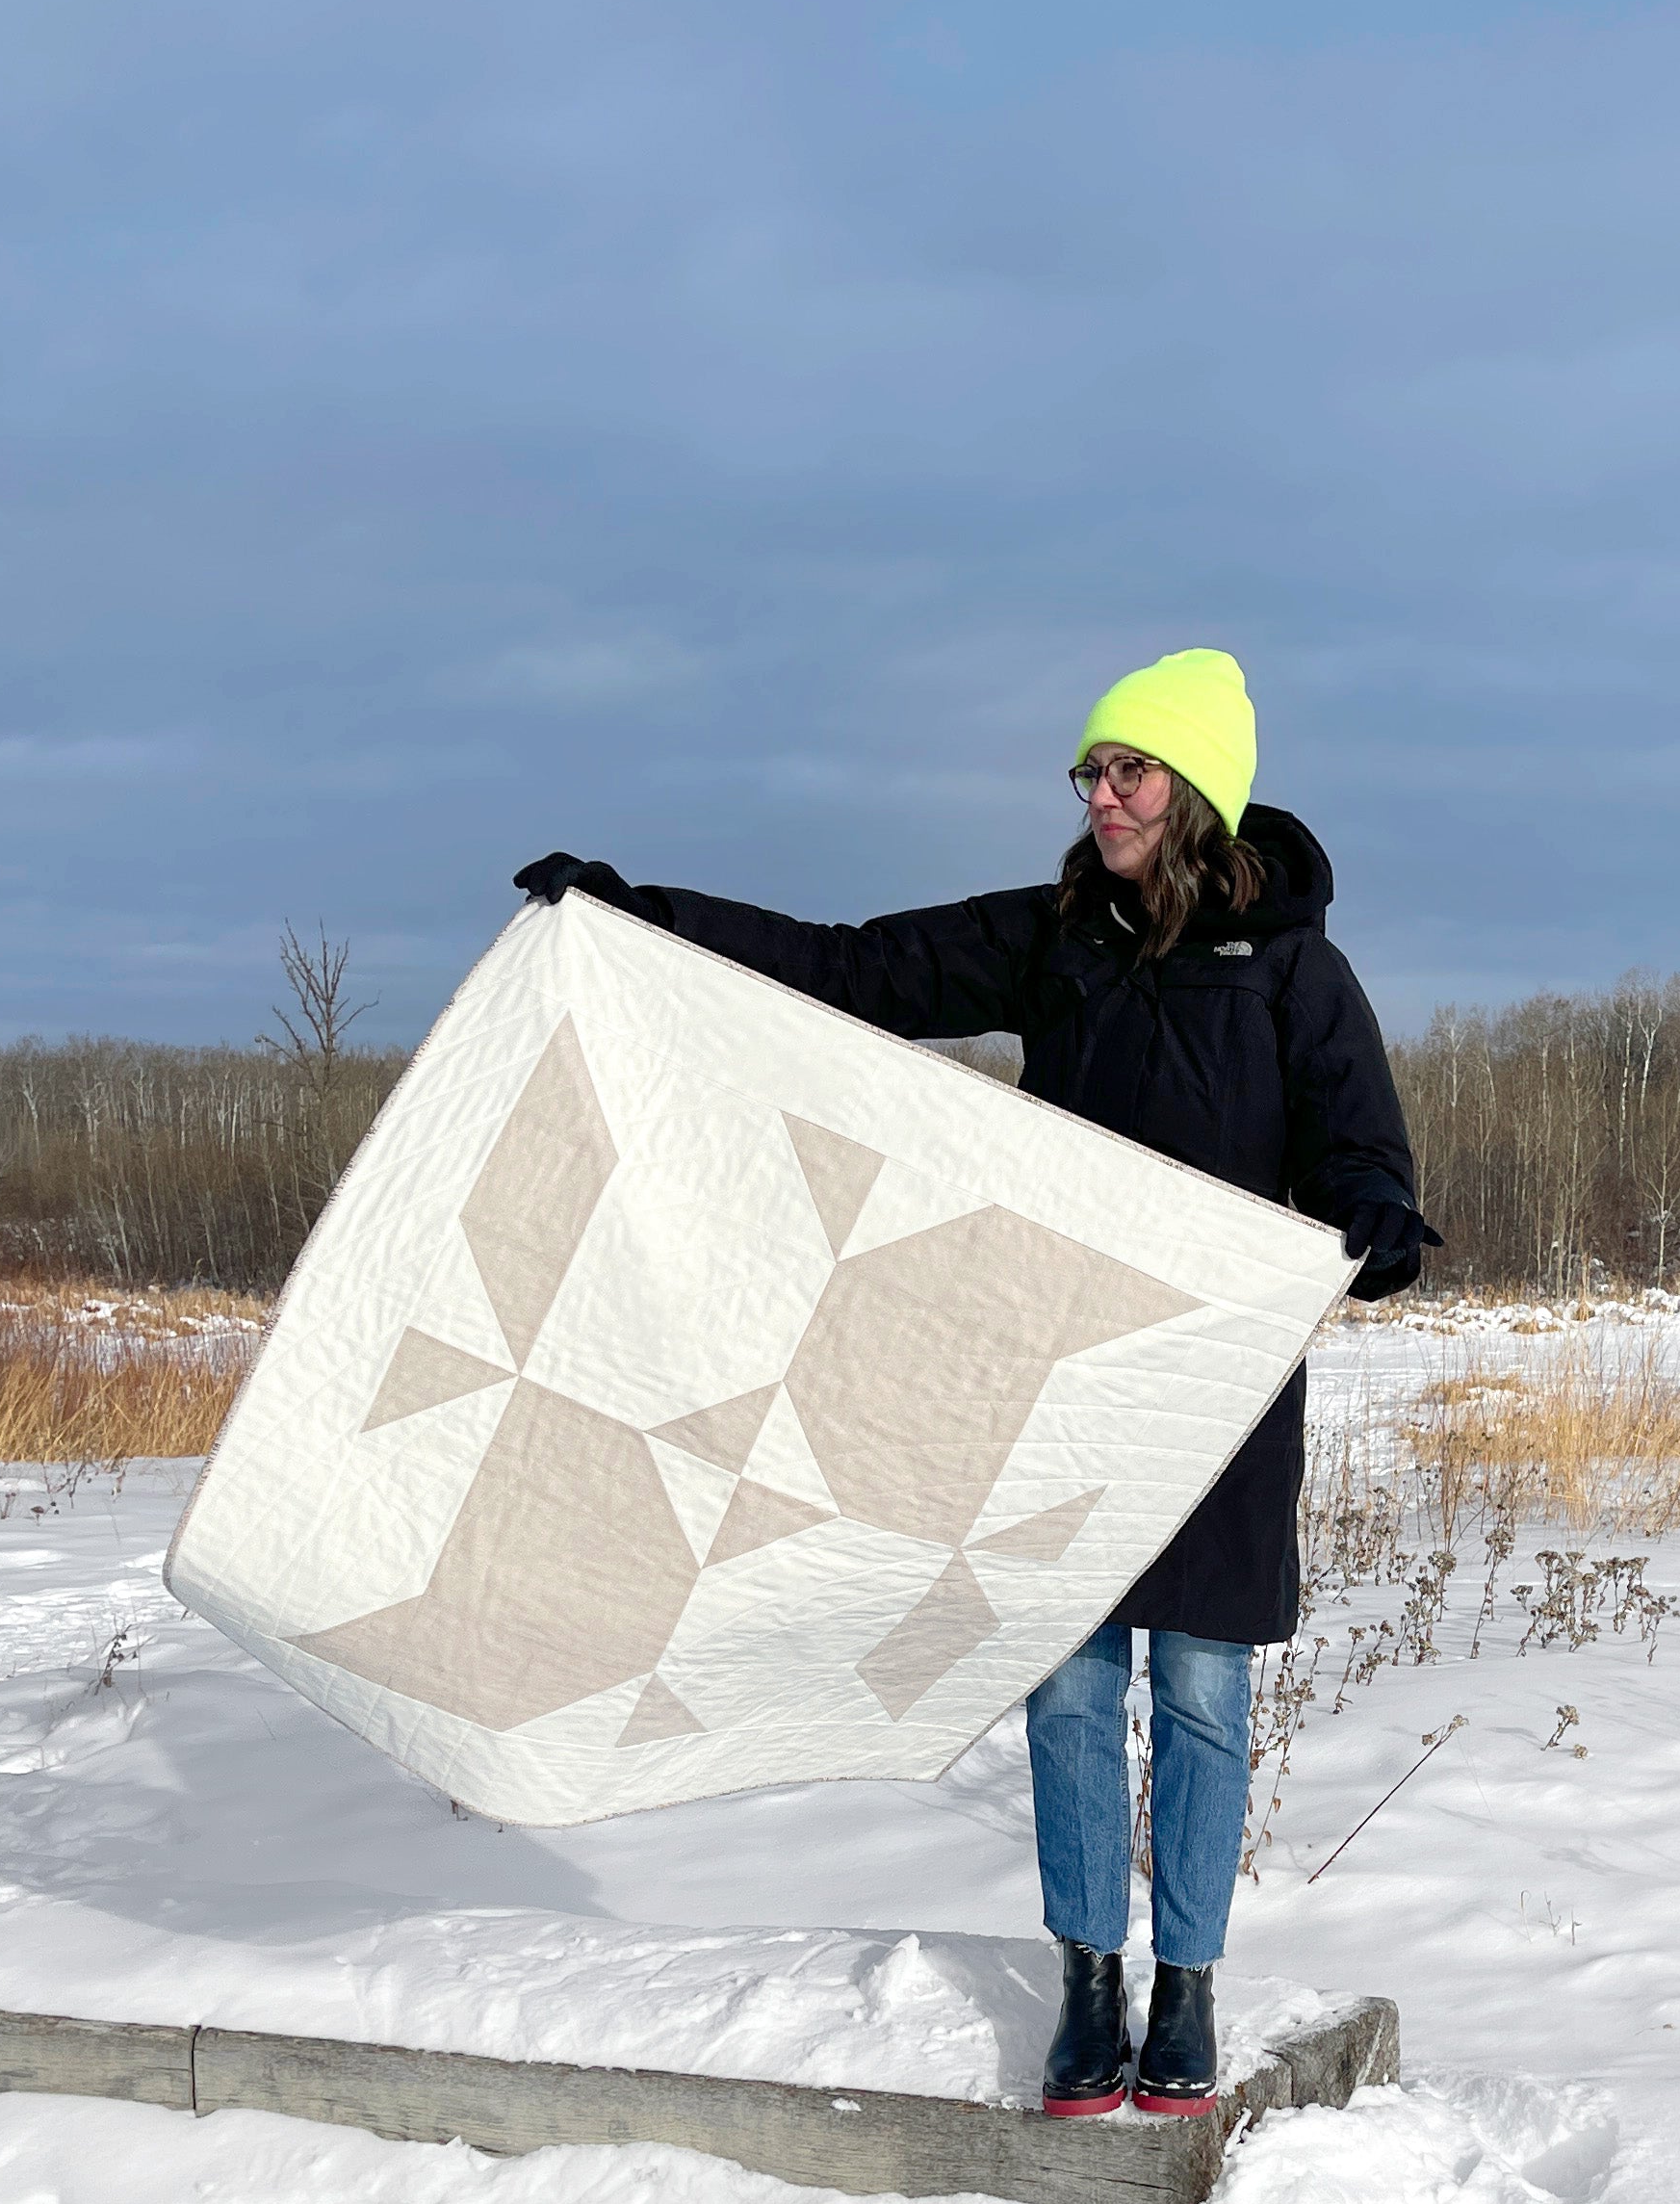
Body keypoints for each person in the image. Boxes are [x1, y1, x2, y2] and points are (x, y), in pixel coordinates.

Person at [514, 645, 1437, 2121]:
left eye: (1129, 768)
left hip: (1218, 1390)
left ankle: (1187, 1983)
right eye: (1091, 771)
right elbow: (852, 966)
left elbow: (1358, 1151)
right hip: (1062, 1382)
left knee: (1201, 1688)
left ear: (1197, 788)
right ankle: (1088, 1979)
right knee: (1070, 1690)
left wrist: (1377, 1224)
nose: (1100, 792)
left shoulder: (1297, 976)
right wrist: (650, 919)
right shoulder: (1053, 939)